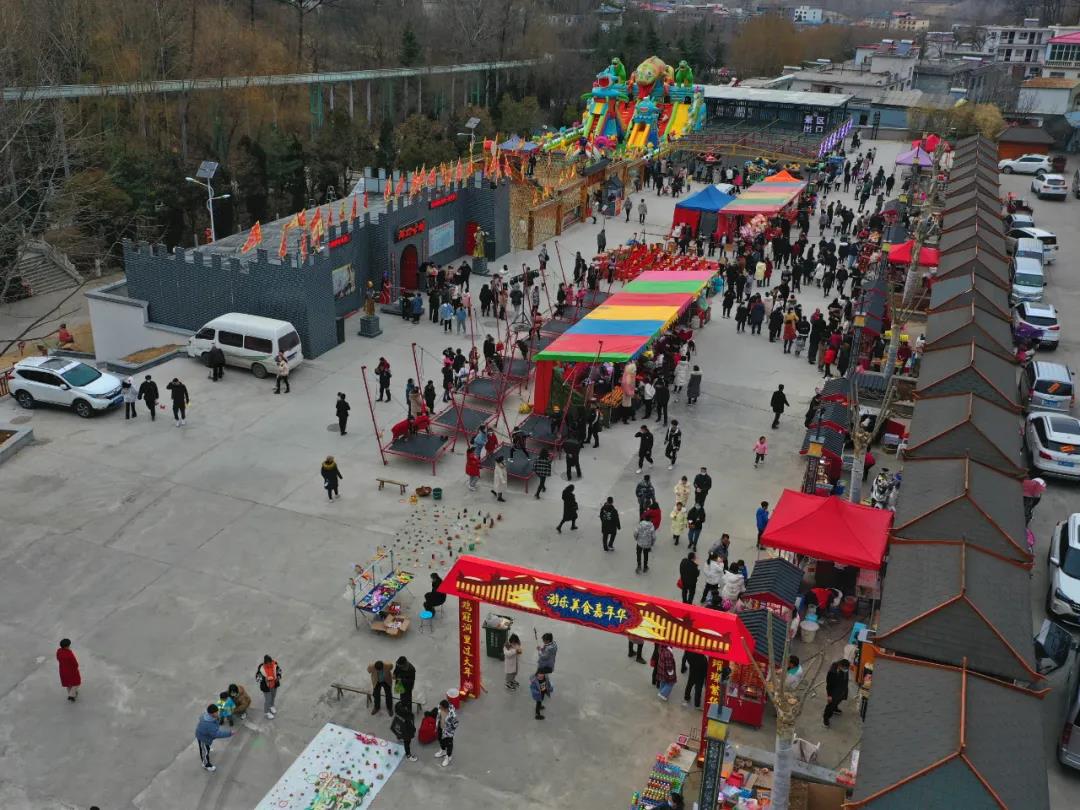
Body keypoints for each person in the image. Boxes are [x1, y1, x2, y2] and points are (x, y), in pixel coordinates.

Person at [195, 705, 233, 772]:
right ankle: (206, 765)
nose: (218, 713)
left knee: (206, 747)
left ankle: (207, 749)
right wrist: (229, 733)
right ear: (211, 713)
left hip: (206, 736)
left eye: (217, 711)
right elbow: (216, 734)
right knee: (204, 752)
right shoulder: (208, 724)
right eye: (216, 712)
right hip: (202, 738)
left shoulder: (207, 716)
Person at [823, 660, 850, 727]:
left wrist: (845, 689)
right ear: (840, 666)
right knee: (831, 705)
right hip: (834, 692)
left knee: (839, 700)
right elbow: (829, 685)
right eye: (844, 668)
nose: (846, 670)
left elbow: (846, 678)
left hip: (842, 689)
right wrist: (829, 695)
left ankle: (835, 708)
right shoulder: (832, 672)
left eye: (847, 668)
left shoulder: (845, 669)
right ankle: (826, 718)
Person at [255, 654, 282, 719]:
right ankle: (266, 712)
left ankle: (271, 706)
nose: (270, 665)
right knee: (268, 700)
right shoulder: (261, 669)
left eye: (270, 663)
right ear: (265, 663)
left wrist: (278, 676)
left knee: (273, 696)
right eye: (268, 664)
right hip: (266, 687)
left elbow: (279, 671)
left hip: (274, 685)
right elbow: (258, 679)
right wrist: (265, 679)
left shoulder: (275, 665)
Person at [435, 699, 457, 767]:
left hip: (448, 732)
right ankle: (443, 751)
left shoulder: (452, 715)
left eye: (441, 708)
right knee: (440, 740)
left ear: (445, 708)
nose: (439, 708)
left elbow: (455, 725)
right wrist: (437, 725)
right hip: (440, 728)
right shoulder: (440, 707)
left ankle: (448, 757)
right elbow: (438, 716)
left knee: (449, 744)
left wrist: (449, 733)